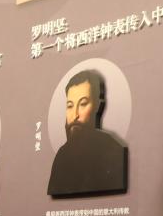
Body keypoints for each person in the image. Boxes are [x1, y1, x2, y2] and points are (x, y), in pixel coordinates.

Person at [47, 69, 128, 197]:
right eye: (70, 106)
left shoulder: (113, 151)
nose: (75, 115)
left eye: (83, 104)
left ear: (97, 106)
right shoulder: (62, 155)